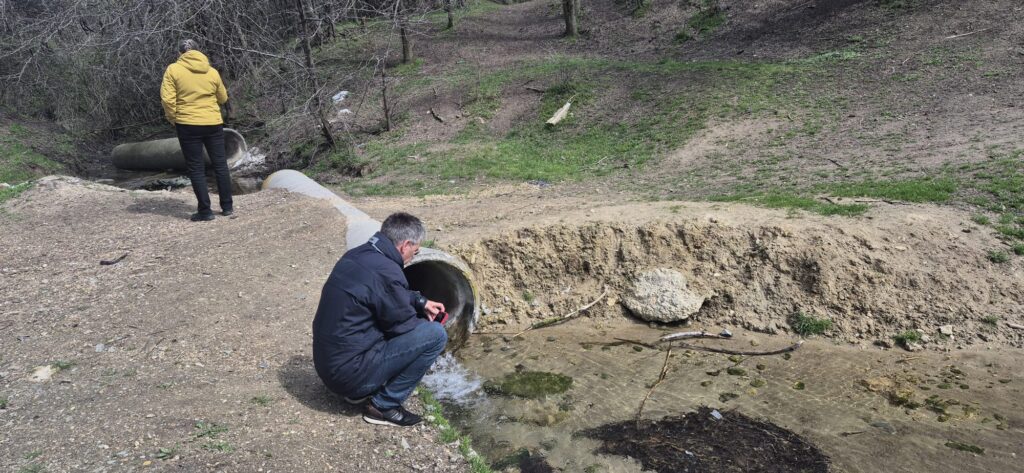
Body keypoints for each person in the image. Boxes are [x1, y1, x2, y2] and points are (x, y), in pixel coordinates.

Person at [313, 212, 448, 427]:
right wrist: (425, 324)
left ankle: (362, 390)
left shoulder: (359, 255)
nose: (413, 257)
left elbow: (382, 292)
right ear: (405, 245)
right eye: (415, 251)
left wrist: (420, 301)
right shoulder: (389, 272)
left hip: (330, 367)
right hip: (349, 377)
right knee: (435, 335)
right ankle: (384, 406)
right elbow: (404, 327)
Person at [160, 39, 233, 222]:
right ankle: (227, 207)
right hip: (213, 122)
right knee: (220, 165)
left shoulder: (173, 70)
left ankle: (205, 211)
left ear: (180, 53)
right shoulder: (212, 71)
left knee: (196, 168)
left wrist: (173, 118)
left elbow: (168, 100)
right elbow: (223, 97)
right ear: (199, 51)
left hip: (187, 124)